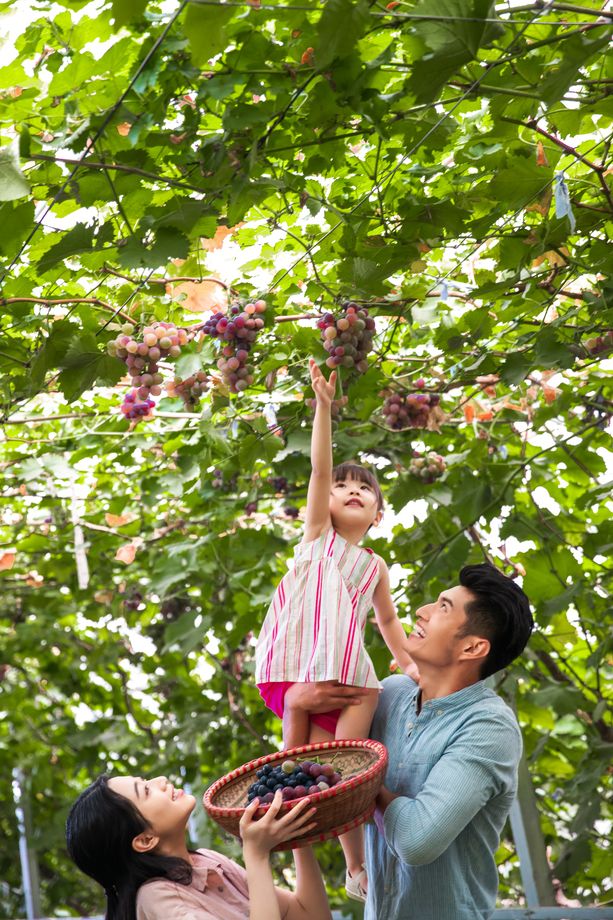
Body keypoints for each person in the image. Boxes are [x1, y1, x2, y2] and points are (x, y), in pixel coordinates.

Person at [284, 562, 534, 919]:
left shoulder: (488, 727)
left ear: (472, 648)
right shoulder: (386, 694)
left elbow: (416, 840)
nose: (422, 611)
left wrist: (357, 779)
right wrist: (295, 708)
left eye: (443, 607)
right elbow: (311, 784)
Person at [255, 357, 417, 901]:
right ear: (323, 503)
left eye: (364, 490)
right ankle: (295, 831)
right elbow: (319, 470)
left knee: (334, 765)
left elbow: (388, 621)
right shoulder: (317, 538)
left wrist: (410, 663)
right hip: (299, 661)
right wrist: (323, 407)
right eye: (342, 485)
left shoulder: (373, 565)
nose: (350, 490)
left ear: (377, 514)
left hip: (344, 666)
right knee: (305, 763)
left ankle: (353, 868)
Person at [65, 773, 332, 920]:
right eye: (146, 790)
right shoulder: (158, 897)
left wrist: (295, 832)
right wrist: (256, 854)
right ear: (145, 840)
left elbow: (310, 915)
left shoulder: (207, 862)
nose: (160, 780)